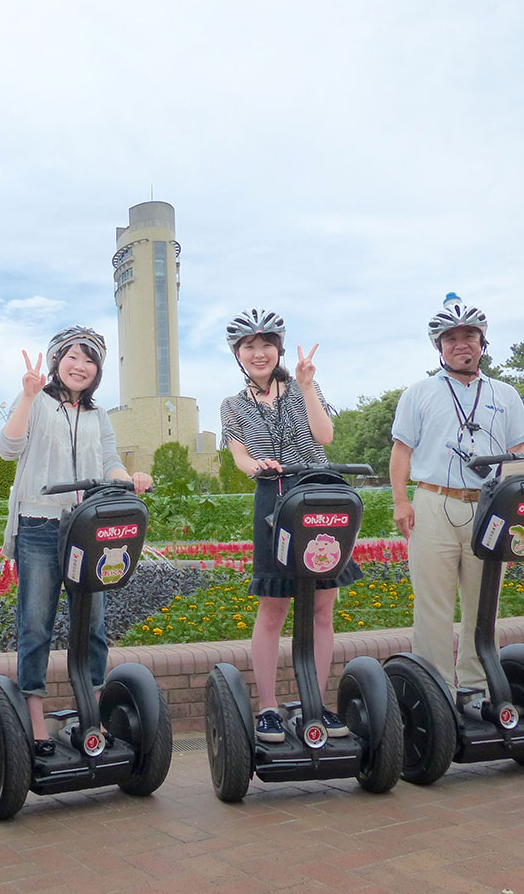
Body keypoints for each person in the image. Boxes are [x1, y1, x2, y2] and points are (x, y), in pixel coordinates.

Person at [389, 292, 524, 720]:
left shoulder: (505, 394)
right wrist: (400, 501)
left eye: (469, 335)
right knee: (431, 605)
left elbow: (519, 449)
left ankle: (472, 688)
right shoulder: (419, 393)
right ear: (439, 346)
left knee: (483, 602)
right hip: (433, 501)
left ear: (483, 342)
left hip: (490, 507)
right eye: (451, 338)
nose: (461, 344)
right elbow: (401, 452)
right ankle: (433, 692)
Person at [0, 326, 151, 755]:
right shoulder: (37, 402)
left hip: (87, 528)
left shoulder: (97, 415)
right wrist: (28, 395)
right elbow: (9, 449)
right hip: (40, 525)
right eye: (73, 357)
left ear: (97, 370)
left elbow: (110, 461)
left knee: (94, 625)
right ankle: (35, 722)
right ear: (56, 362)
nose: (80, 366)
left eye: (90, 360)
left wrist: (130, 480)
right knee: (35, 624)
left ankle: (93, 715)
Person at [219, 309, 361, 743]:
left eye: (266, 345)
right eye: (248, 346)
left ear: (278, 349)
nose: (258, 353)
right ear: (237, 354)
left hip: (318, 494)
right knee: (272, 609)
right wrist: (255, 466)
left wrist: (305, 385)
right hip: (272, 498)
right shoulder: (232, 405)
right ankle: (267, 707)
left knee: (322, 607)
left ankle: (317, 703)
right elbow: (239, 454)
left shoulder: (303, 387)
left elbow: (324, 436)